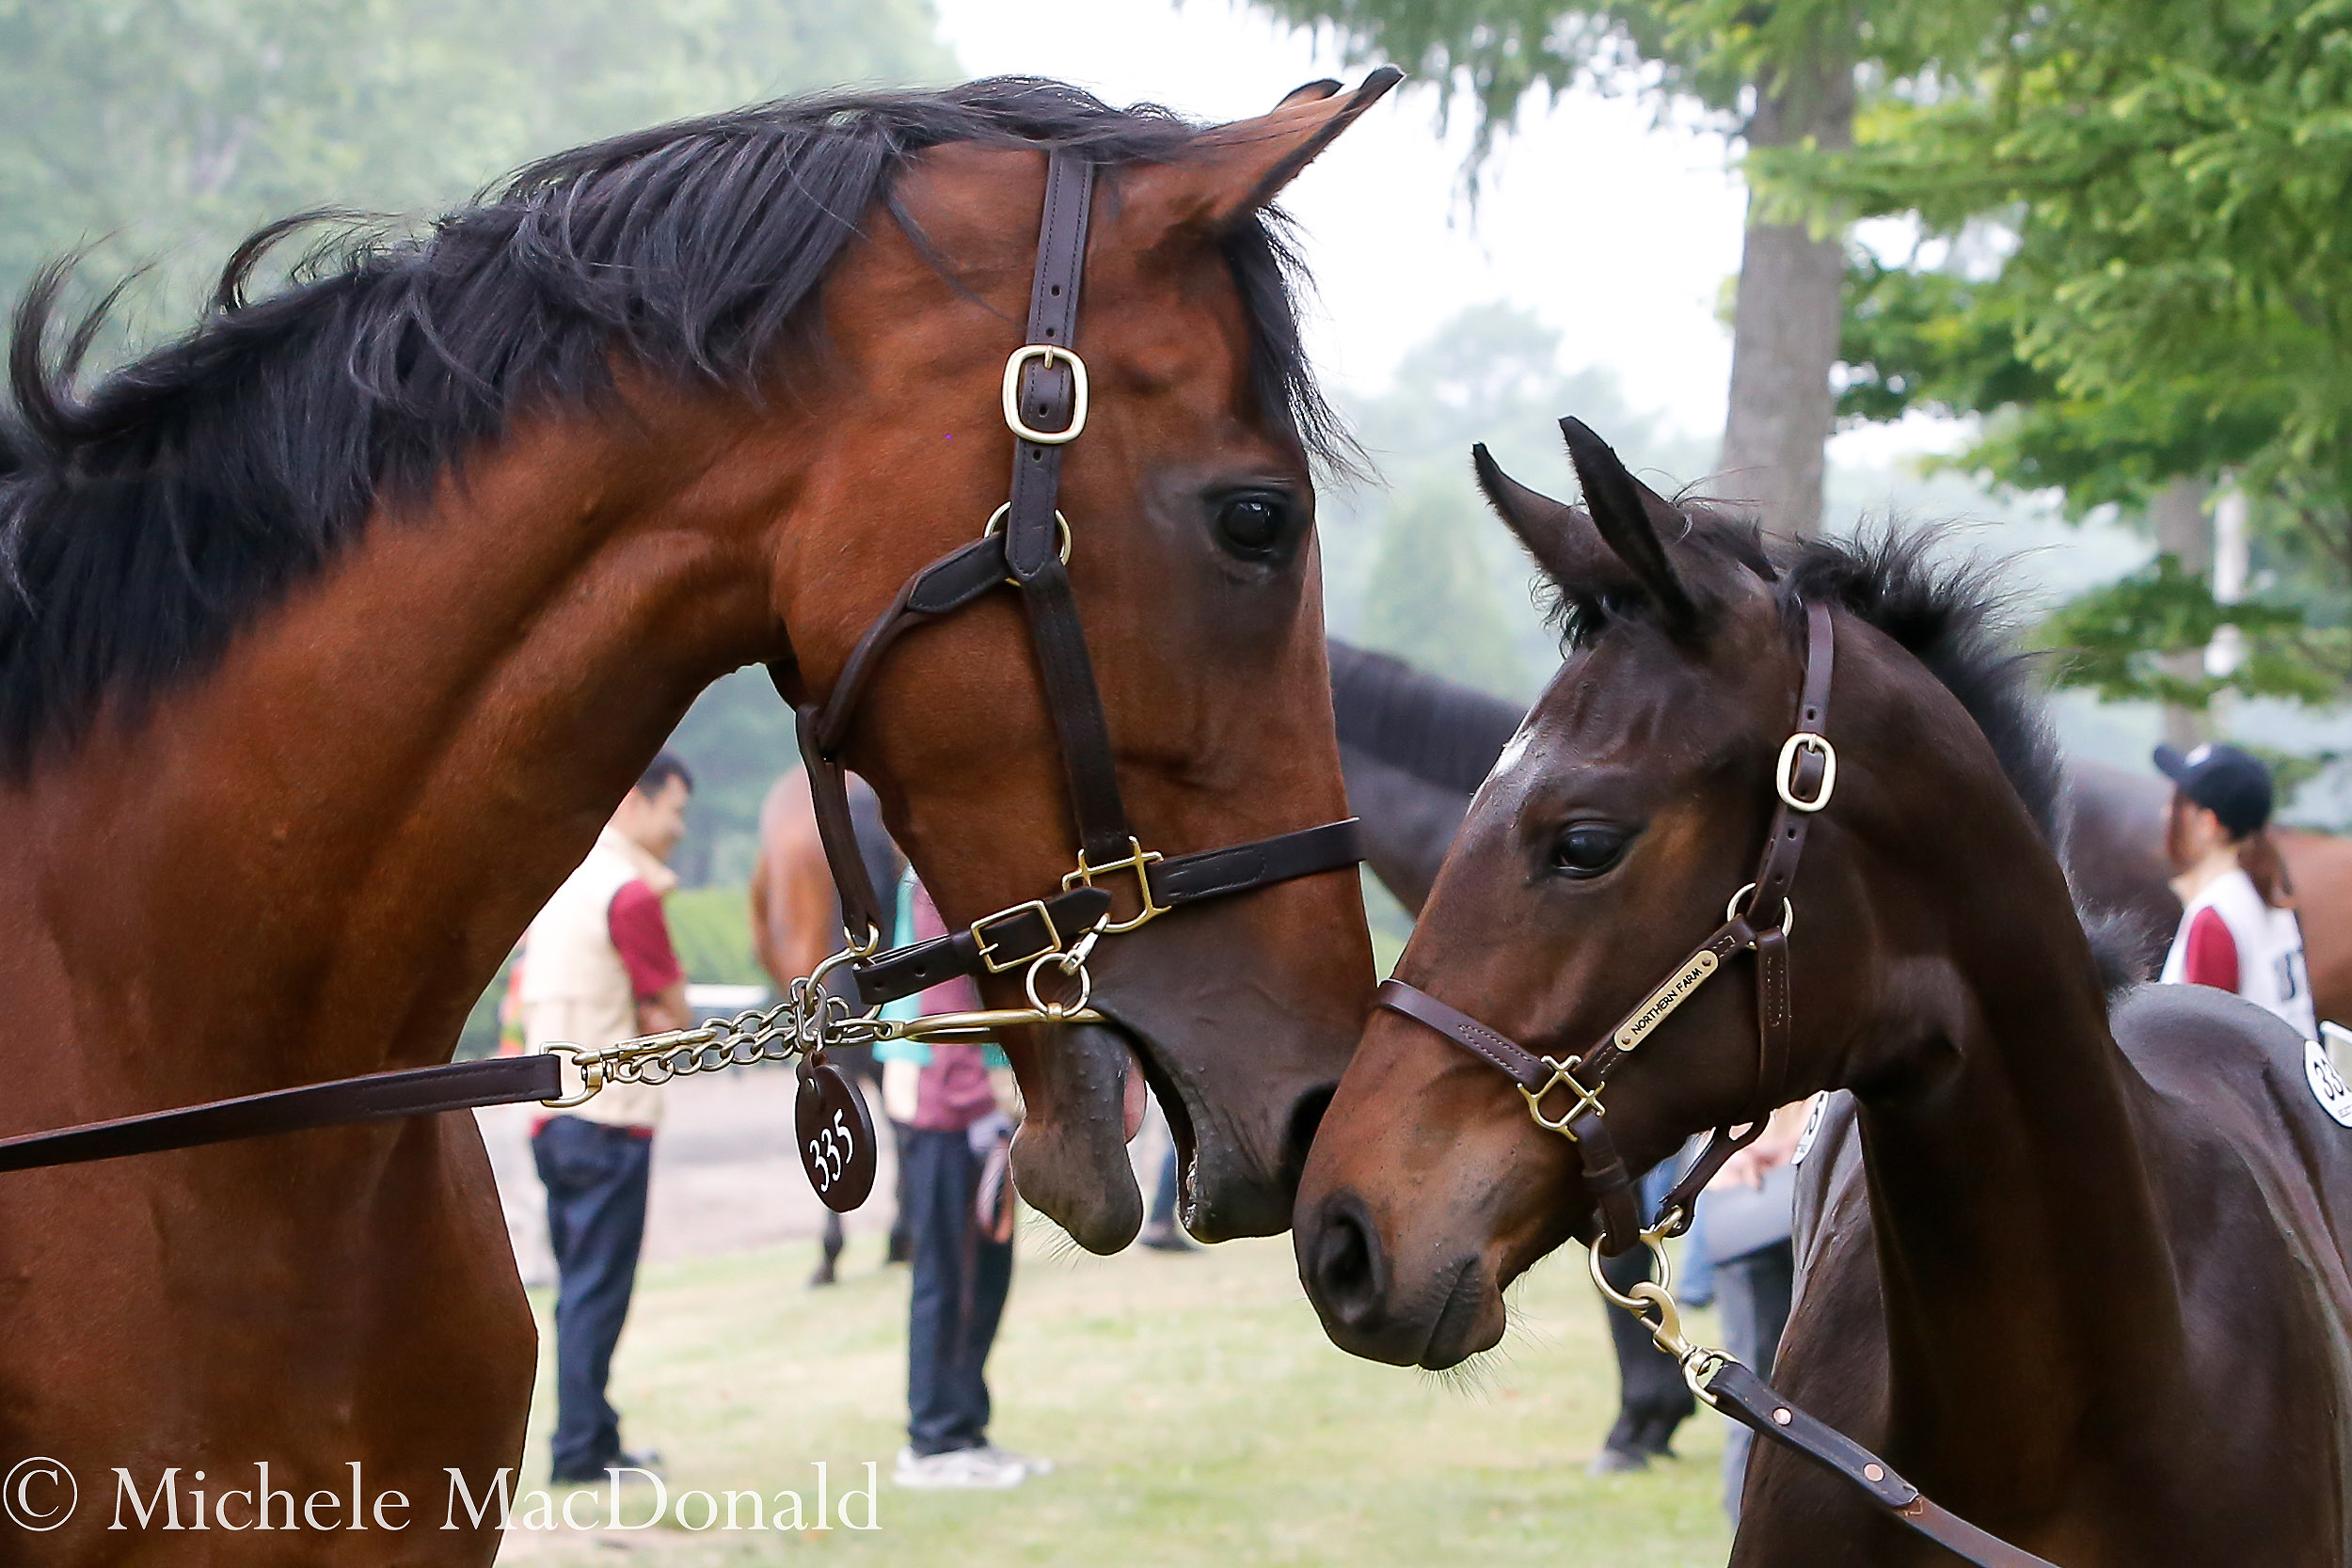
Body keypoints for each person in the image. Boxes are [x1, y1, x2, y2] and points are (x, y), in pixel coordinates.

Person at [519, 753, 693, 1486]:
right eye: (673, 810)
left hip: (551, 1119)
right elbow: (670, 1013)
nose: (679, 828)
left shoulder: (562, 883)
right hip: (612, 1119)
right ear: (635, 801)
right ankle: (580, 1448)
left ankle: (591, 1428)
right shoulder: (630, 895)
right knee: (599, 1287)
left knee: (576, 1284)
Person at [880, 875, 1046, 1489]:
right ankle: (934, 1439)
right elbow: (943, 998)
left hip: (975, 1101)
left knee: (983, 1274)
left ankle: (964, 1428)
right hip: (951, 1102)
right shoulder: (934, 877)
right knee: (950, 1276)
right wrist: (977, 1106)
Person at [750, 767, 909, 1284]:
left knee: (832, 1095)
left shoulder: (785, 801)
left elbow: (764, 937)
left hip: (823, 996)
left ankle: (833, 1234)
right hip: (883, 985)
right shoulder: (874, 794)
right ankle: (908, 1220)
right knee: (897, 1089)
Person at [2154, 742, 2318, 1037]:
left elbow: (2202, 1048)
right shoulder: (2267, 891)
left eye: (2180, 803)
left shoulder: (2215, 916)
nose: (2167, 813)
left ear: (2207, 824)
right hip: (2283, 1076)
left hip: (2247, 1081)